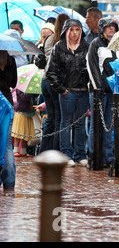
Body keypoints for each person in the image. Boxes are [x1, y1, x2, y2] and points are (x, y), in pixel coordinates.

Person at [46, 19, 90, 167]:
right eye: (71, 30)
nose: (75, 33)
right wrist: (61, 88)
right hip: (67, 92)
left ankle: (80, 154)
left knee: (80, 124)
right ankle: (66, 154)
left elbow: (92, 68)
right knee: (65, 123)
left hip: (83, 91)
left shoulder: (87, 46)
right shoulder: (59, 47)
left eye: (77, 29)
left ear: (81, 31)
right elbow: (50, 71)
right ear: (66, 31)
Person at [87, 17, 118, 168]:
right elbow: (92, 68)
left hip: (113, 91)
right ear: (101, 29)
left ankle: (108, 157)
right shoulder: (95, 44)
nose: (111, 29)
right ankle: (94, 156)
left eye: (113, 26)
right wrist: (99, 89)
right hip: (99, 92)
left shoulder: (117, 45)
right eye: (108, 27)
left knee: (109, 125)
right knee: (96, 124)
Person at [39, 13, 70, 152]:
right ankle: (56, 152)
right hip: (56, 82)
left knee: (50, 118)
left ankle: (44, 151)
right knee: (59, 117)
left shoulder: (49, 39)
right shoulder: (64, 41)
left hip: (45, 80)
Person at [0, 51, 17, 191]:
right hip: (7, 103)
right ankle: (9, 182)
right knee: (7, 145)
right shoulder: (11, 60)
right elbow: (13, 83)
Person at [11, 89, 37, 157]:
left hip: (29, 112)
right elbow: (24, 97)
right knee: (18, 133)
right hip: (21, 111)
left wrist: (34, 92)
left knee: (26, 133)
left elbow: (34, 96)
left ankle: (23, 151)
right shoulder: (20, 87)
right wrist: (31, 91)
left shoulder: (30, 87)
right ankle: (15, 150)